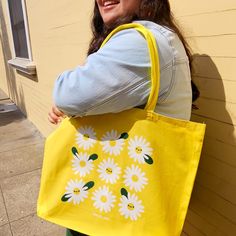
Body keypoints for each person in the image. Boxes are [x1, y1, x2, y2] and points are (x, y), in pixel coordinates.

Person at [48, 0, 199, 235]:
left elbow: (68, 93)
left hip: (112, 208)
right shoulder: (156, 36)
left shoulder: (138, 41)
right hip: (111, 194)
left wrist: (66, 101)